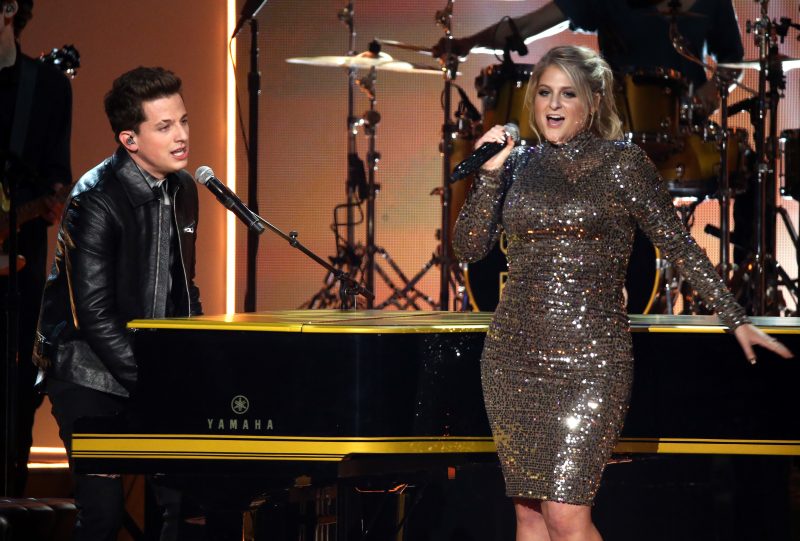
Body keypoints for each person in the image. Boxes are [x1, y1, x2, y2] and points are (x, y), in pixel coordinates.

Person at [452, 45, 792, 541]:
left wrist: (734, 316)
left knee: (566, 515)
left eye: (567, 94)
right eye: (544, 92)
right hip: (513, 355)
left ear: (591, 103)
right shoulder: (517, 164)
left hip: (594, 358)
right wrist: (488, 177)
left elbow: (678, 244)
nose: (553, 104)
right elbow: (468, 246)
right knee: (529, 516)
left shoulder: (621, 163)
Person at [33, 66, 201, 540]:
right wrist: (152, 382)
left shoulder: (184, 189)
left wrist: (195, 363)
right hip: (87, 371)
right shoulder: (97, 199)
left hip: (149, 369)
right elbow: (94, 315)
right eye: (164, 126)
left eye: (183, 121)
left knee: (184, 500)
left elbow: (183, 290)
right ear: (130, 138)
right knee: (104, 515)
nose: (181, 136)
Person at [432, 0, 744, 116]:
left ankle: (749, 262)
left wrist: (712, 92)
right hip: (618, 129)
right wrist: (468, 44)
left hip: (687, 129)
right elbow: (525, 28)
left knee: (750, 175)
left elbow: (733, 61)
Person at [0, 0, 72, 496]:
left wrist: (20, 214)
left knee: (14, 394)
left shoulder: (44, 87)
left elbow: (56, 187)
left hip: (15, 275)